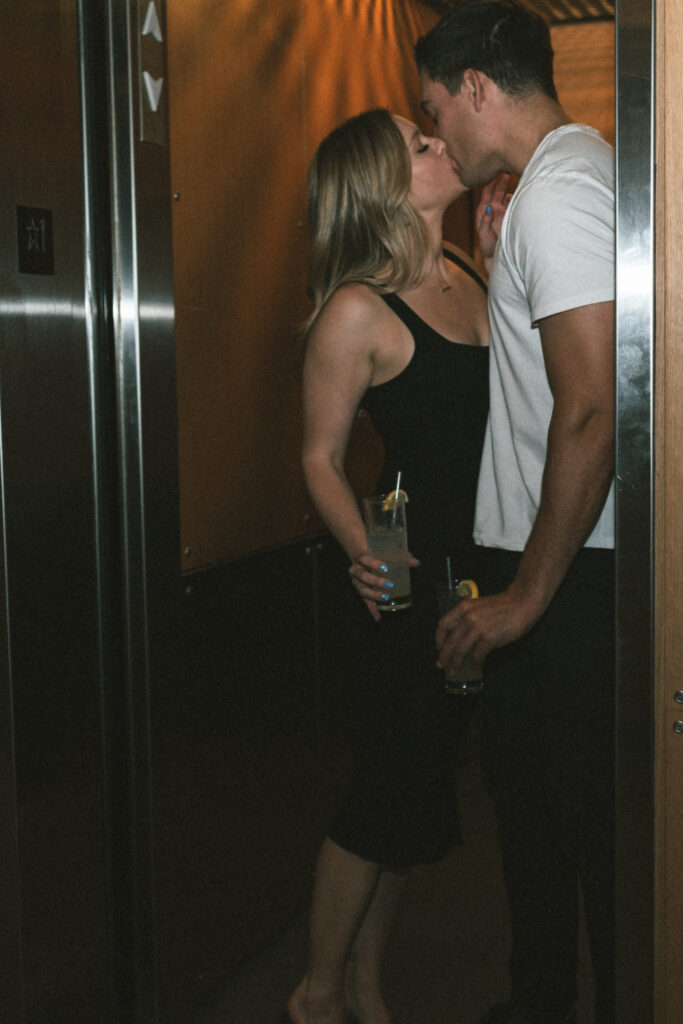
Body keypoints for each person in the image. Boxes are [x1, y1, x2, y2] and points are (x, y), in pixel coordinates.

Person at [415, 4, 616, 1024]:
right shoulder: (545, 190)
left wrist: (526, 596)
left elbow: (589, 410)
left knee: (585, 827)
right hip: (550, 554)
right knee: (534, 820)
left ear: (477, 91)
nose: (437, 131)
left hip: (570, 569)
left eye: (435, 109)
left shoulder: (564, 188)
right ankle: (535, 1000)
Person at [287, 108, 491, 1024]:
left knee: (415, 796)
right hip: (405, 571)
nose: (440, 143)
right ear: (380, 186)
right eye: (418, 144)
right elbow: (319, 458)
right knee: (384, 788)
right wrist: (365, 556)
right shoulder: (357, 309)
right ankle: (316, 992)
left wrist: (500, 260)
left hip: (474, 569)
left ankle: (365, 986)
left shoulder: (466, 273)